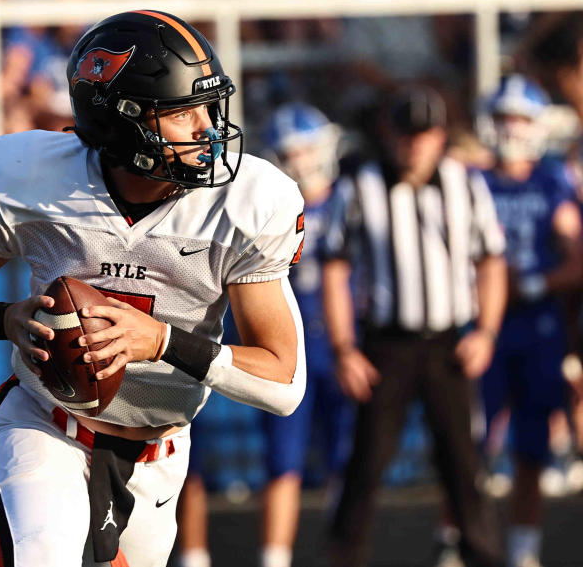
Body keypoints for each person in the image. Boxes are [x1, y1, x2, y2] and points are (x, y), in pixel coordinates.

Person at [0, 10, 308, 567]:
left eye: (209, 107)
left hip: (159, 451)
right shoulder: (41, 181)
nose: (207, 128)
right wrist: (4, 318)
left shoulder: (245, 202)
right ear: (125, 121)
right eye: (182, 112)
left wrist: (161, 342)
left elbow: (283, 382)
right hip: (48, 425)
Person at [323, 86, 508, 567]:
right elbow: (334, 269)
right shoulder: (360, 186)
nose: (415, 146)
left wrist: (485, 331)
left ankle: (482, 556)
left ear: (441, 136)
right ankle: (346, 558)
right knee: (366, 466)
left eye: (425, 135)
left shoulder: (465, 184)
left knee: (464, 467)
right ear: (389, 135)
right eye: (407, 135)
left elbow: (491, 261)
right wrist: (344, 348)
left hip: (450, 344)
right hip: (387, 345)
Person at [176, 103, 354, 567]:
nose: (303, 161)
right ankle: (197, 555)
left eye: (310, 149)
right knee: (183, 441)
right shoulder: (252, 203)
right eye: (291, 152)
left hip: (329, 340)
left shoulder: (352, 199)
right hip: (247, 336)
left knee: (335, 456)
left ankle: (326, 553)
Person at [476, 75, 583, 567]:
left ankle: (523, 550)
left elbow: (576, 256)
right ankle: (459, 538)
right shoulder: (472, 181)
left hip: (536, 325)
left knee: (531, 445)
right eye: (504, 118)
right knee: (471, 443)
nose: (512, 129)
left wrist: (533, 284)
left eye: (522, 119)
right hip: (482, 326)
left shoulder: (553, 180)